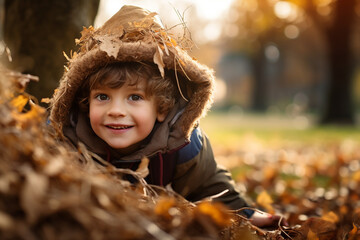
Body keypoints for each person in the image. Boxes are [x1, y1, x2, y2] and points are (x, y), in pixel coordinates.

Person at [49, 5, 286, 228]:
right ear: (85, 102)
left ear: (161, 108)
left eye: (134, 97)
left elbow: (210, 184)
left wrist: (245, 213)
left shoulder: (183, 145)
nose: (116, 111)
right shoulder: (66, 137)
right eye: (102, 97)